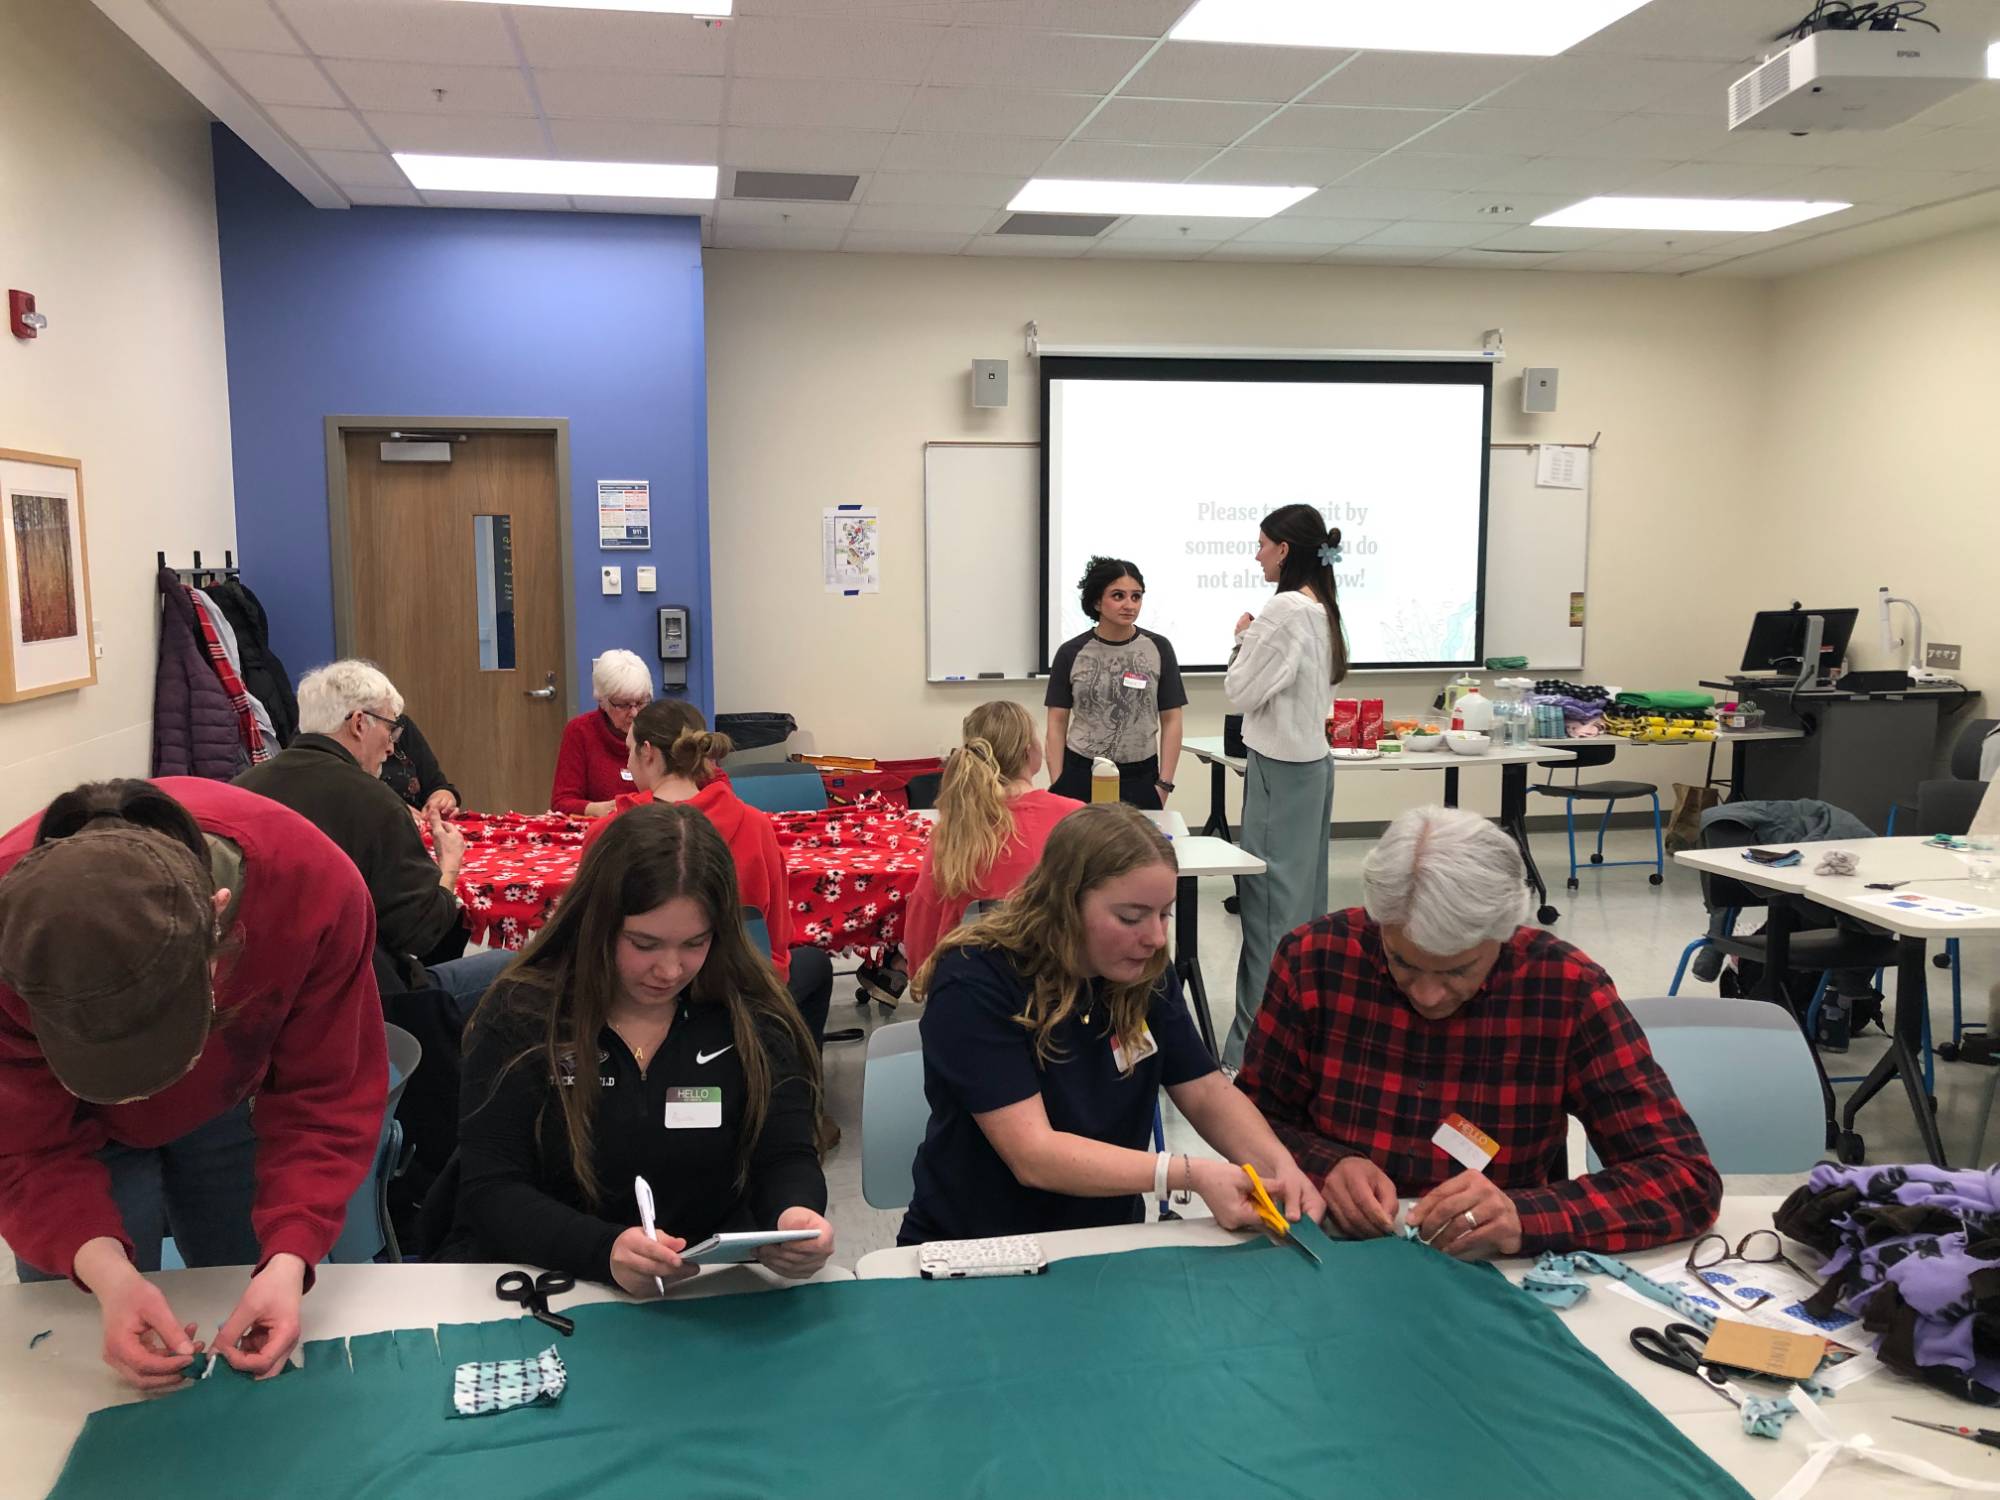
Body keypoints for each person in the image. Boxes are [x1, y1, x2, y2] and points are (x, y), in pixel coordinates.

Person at [0, 778, 388, 1389]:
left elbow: (324, 1099)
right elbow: (21, 1146)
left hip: (232, 1102)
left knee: (253, 1300)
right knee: (77, 1365)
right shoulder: (10, 929)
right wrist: (109, 1276)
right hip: (73, 1132)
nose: (137, 1096)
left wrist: (289, 1257)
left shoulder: (311, 887)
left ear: (219, 926)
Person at [1237, 806, 1722, 1259]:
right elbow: (1250, 1119)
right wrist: (1329, 1164)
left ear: (1506, 933)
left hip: (1493, 1269)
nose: (1427, 995)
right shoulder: (1316, 958)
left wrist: (1525, 1218)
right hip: (1334, 1251)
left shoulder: (1565, 988)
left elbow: (1683, 1178)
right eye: (1402, 961)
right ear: (1379, 921)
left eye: (1457, 970)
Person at [429, 802, 833, 1290]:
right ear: (595, 923)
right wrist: (603, 1251)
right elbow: (491, 1189)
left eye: (695, 944)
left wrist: (794, 1217)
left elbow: (786, 1155)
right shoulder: (521, 1014)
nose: (670, 971)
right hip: (547, 1281)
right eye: (644, 945)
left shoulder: (754, 1015)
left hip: (704, 1288)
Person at [899, 804, 1324, 1245]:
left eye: (1164, 914)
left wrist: (1279, 1167)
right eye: (1130, 917)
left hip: (1106, 1236)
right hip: (976, 1245)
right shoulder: (974, 978)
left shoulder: (1139, 968)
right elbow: (1034, 1155)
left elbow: (1203, 1090)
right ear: (1064, 903)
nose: (1156, 938)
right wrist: (1186, 1174)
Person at [235, 660, 507, 1022]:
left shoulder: (242, 789)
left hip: (261, 998)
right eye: (391, 730)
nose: (393, 747)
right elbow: (423, 934)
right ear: (360, 723)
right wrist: (449, 866)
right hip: (363, 1000)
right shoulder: (375, 802)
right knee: (515, 967)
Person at [585, 700, 841, 1049]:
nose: (628, 762)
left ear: (647, 752)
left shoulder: (608, 834)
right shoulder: (755, 825)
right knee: (814, 964)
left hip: (635, 1004)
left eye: (629, 751)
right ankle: (792, 1078)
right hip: (738, 997)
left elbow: (588, 939)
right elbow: (777, 941)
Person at [1222, 504, 1348, 1067]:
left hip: (1279, 768)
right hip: (1312, 766)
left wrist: (1242, 639)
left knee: (1268, 914)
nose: (1257, 555)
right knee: (1303, 913)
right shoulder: (1321, 607)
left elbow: (1239, 692)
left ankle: (1252, 1053)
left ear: (1285, 550)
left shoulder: (1283, 609)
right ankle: (1302, 1043)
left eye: (1263, 544)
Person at [904, 701, 1082, 970]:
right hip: (1061, 988)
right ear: (1029, 751)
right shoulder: (1075, 819)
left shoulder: (953, 832)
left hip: (969, 991)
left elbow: (921, 937)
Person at [1046, 557, 1187, 810]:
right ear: (1097, 601)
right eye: (1118, 596)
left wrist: (1164, 785)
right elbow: (1056, 722)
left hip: (1140, 775)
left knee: (1137, 849)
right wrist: (1058, 783)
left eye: (1136, 596)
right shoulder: (1071, 652)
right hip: (1080, 772)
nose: (1129, 605)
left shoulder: (1159, 648)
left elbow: (1172, 719)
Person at [551, 649, 653, 817]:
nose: (634, 713)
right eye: (623, 704)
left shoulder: (662, 728)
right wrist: (597, 809)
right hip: (601, 830)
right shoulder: (580, 731)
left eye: (641, 702)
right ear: (602, 702)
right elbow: (562, 802)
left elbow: (707, 780)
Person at [380, 712, 459, 820]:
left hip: (418, 827)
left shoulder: (400, 724)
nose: (391, 749)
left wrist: (441, 800)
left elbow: (436, 784)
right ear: (358, 725)